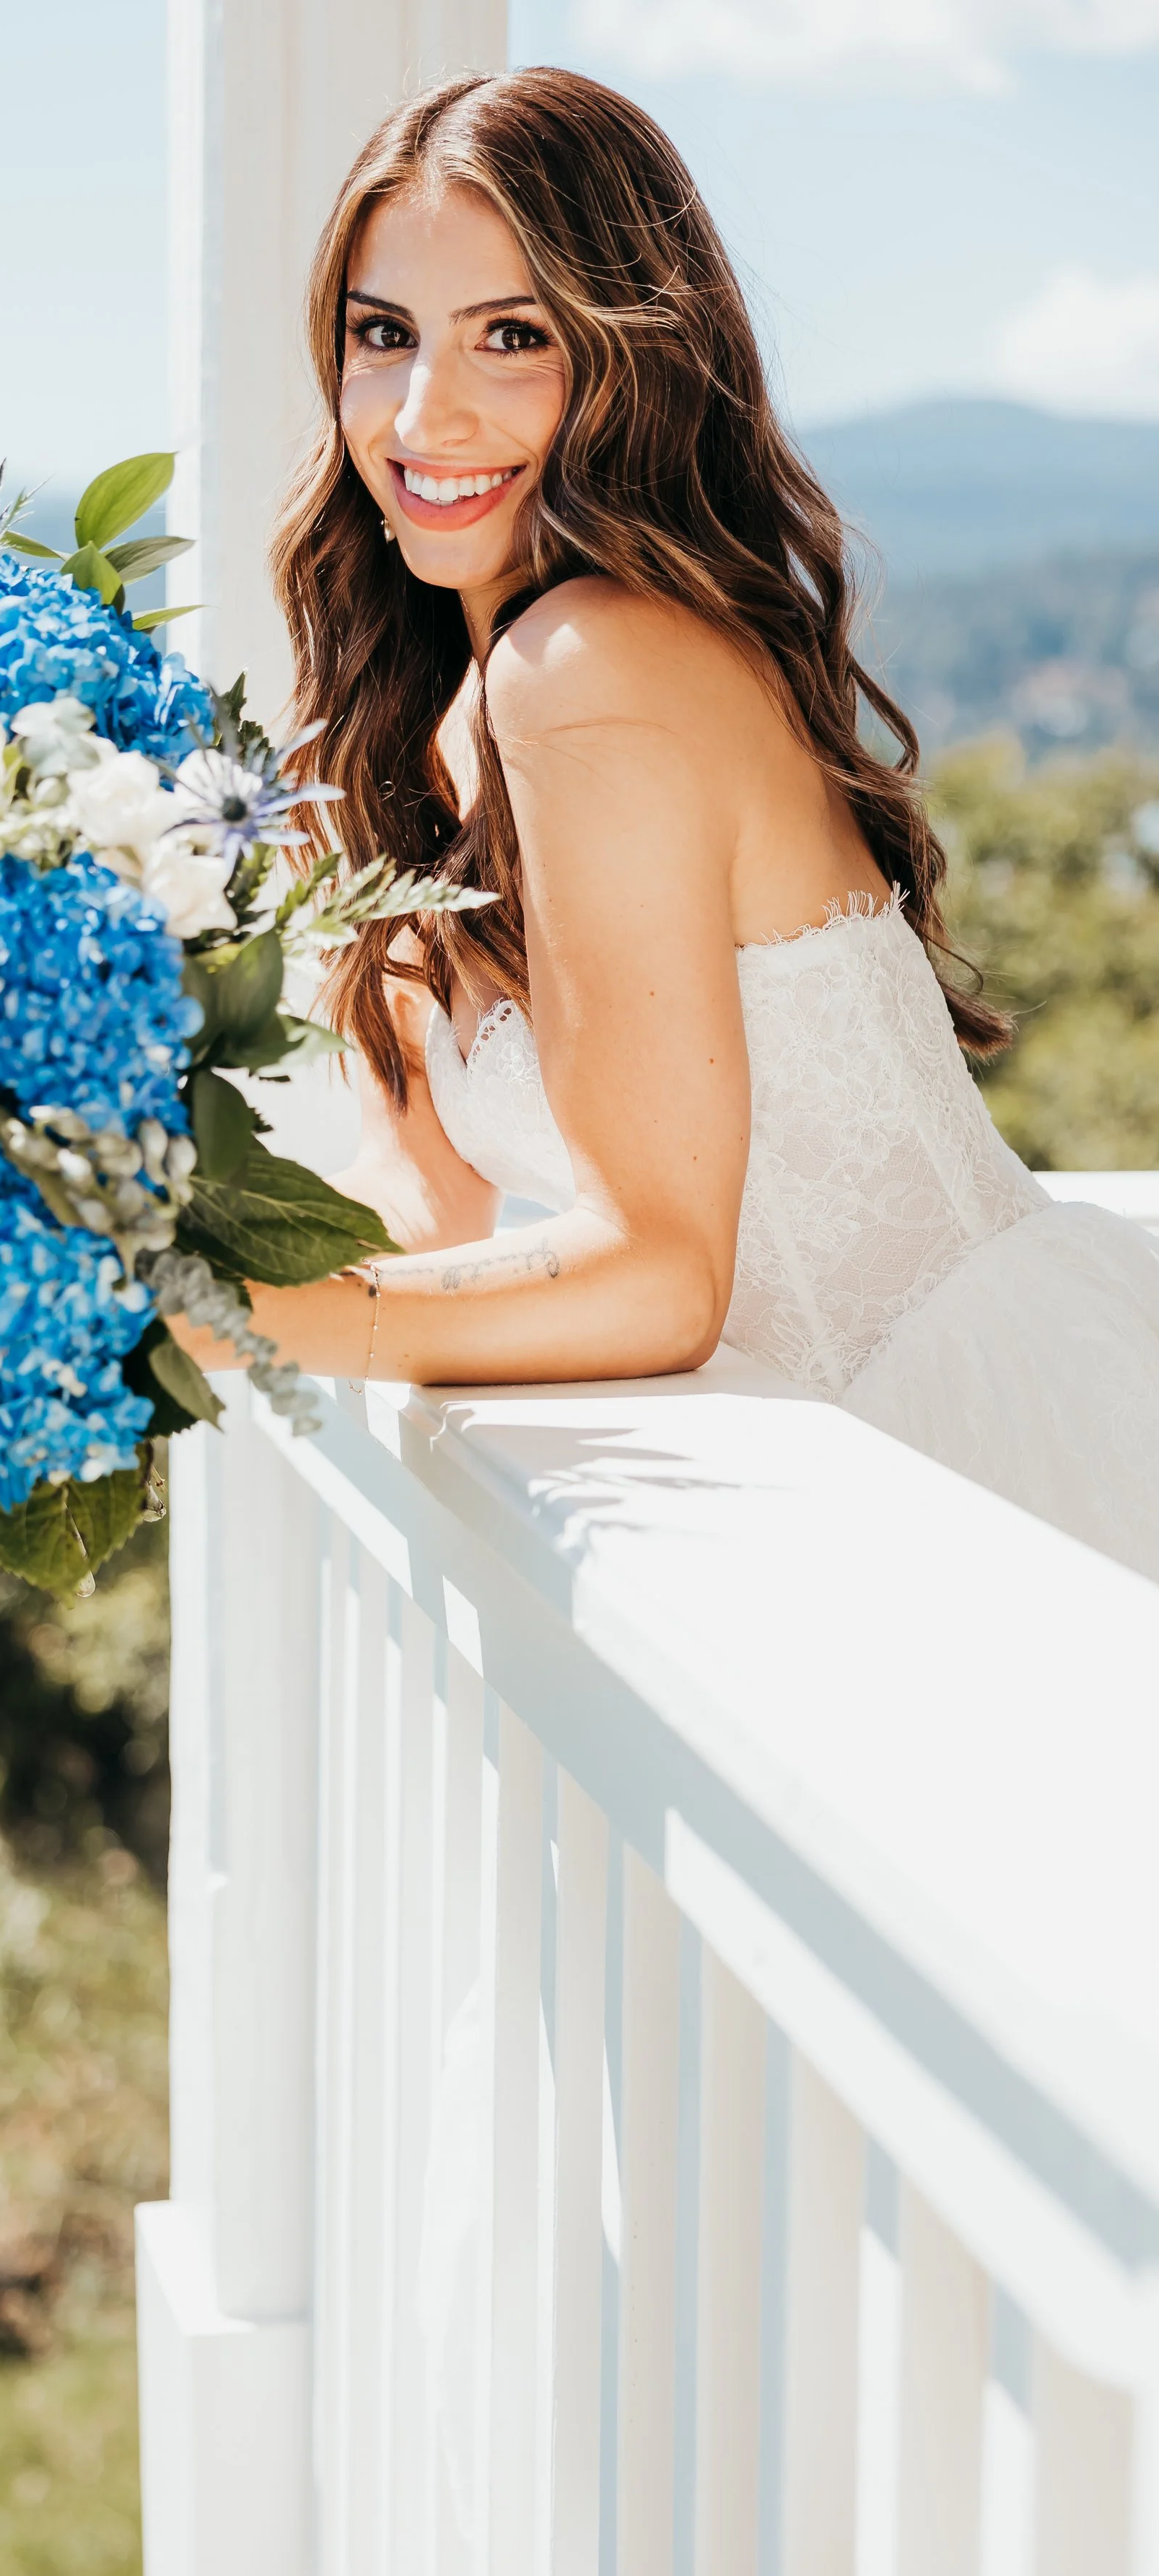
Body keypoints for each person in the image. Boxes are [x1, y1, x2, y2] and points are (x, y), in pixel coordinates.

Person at [169, 64, 1159, 1584]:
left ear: (633, 356)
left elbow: (658, 1276)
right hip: (786, 1477)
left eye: (512, 337)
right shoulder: (399, 736)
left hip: (976, 1459)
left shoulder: (592, 667)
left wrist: (220, 1319)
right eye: (383, 336)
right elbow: (423, 1205)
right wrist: (110, 1215)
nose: (423, 412)